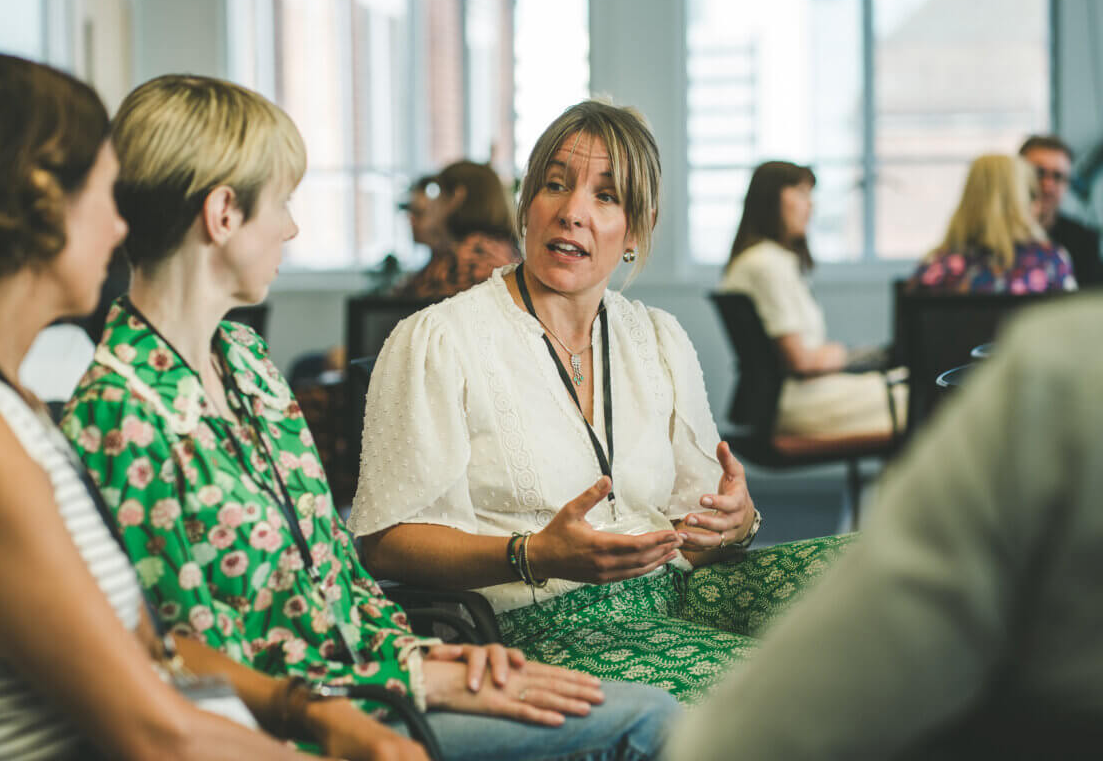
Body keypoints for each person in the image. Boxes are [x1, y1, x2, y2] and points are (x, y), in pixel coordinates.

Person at [62, 74, 678, 761]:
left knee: (647, 711)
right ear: (224, 214)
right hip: (310, 726)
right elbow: (185, 665)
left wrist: (434, 663)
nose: (292, 228)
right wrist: (403, 687)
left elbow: (339, 580)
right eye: (283, 203)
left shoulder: (244, 360)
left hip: (379, 681)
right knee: (651, 722)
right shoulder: (122, 417)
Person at [349, 100, 854, 703]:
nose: (572, 213)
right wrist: (535, 554)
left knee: (879, 587)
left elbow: (697, 527)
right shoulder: (439, 340)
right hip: (541, 629)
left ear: (636, 230)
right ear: (526, 206)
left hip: (676, 595)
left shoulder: (659, 339)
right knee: (794, 689)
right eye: (554, 186)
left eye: (606, 197)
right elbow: (382, 541)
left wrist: (736, 523)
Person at [0, 54, 324, 760]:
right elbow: (152, 733)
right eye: (107, 193)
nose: (121, 224)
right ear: (38, 208)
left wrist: (302, 709)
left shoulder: (5, 402)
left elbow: (147, 652)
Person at [666, 293, 1103, 760]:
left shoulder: (1062, 362)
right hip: (802, 405)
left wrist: (744, 522)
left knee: (905, 404)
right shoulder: (1064, 365)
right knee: (907, 390)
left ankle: (916, 500)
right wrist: (862, 354)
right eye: (802, 209)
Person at [721, 161, 905, 437]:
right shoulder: (766, 264)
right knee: (919, 396)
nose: (811, 205)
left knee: (905, 383)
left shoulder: (756, 260)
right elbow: (802, 361)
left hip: (788, 398)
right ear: (771, 199)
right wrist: (843, 353)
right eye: (801, 193)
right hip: (797, 401)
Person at [909, 154, 1077, 294]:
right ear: (1021, 201)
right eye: (1033, 194)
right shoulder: (1049, 263)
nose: (1038, 205)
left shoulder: (935, 267)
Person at [394, 161, 521, 298]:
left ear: (456, 197)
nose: (431, 204)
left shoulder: (465, 259)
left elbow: (410, 306)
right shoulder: (503, 249)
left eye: (438, 193)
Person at [1020, 134, 1103, 286]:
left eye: (1058, 176)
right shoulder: (991, 237)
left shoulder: (1084, 241)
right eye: (1039, 173)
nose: (1048, 184)